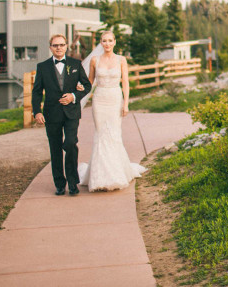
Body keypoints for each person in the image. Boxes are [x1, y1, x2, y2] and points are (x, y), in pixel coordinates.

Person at [78, 30, 146, 191]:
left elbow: (126, 82)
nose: (107, 44)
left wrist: (126, 104)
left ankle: (116, 173)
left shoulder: (121, 60)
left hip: (115, 98)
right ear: (100, 43)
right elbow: (90, 81)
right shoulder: (95, 60)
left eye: (110, 41)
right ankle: (99, 175)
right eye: (104, 41)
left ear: (115, 42)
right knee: (101, 134)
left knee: (114, 134)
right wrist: (81, 88)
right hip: (100, 99)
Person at [32, 34, 92, 196]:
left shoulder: (75, 64)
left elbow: (87, 86)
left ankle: (73, 182)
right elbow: (37, 92)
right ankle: (59, 183)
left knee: (71, 143)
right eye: (55, 45)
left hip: (71, 113)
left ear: (66, 46)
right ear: (50, 47)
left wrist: (73, 96)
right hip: (52, 113)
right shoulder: (42, 67)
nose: (58, 48)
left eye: (61, 45)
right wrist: (37, 111)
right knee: (55, 148)